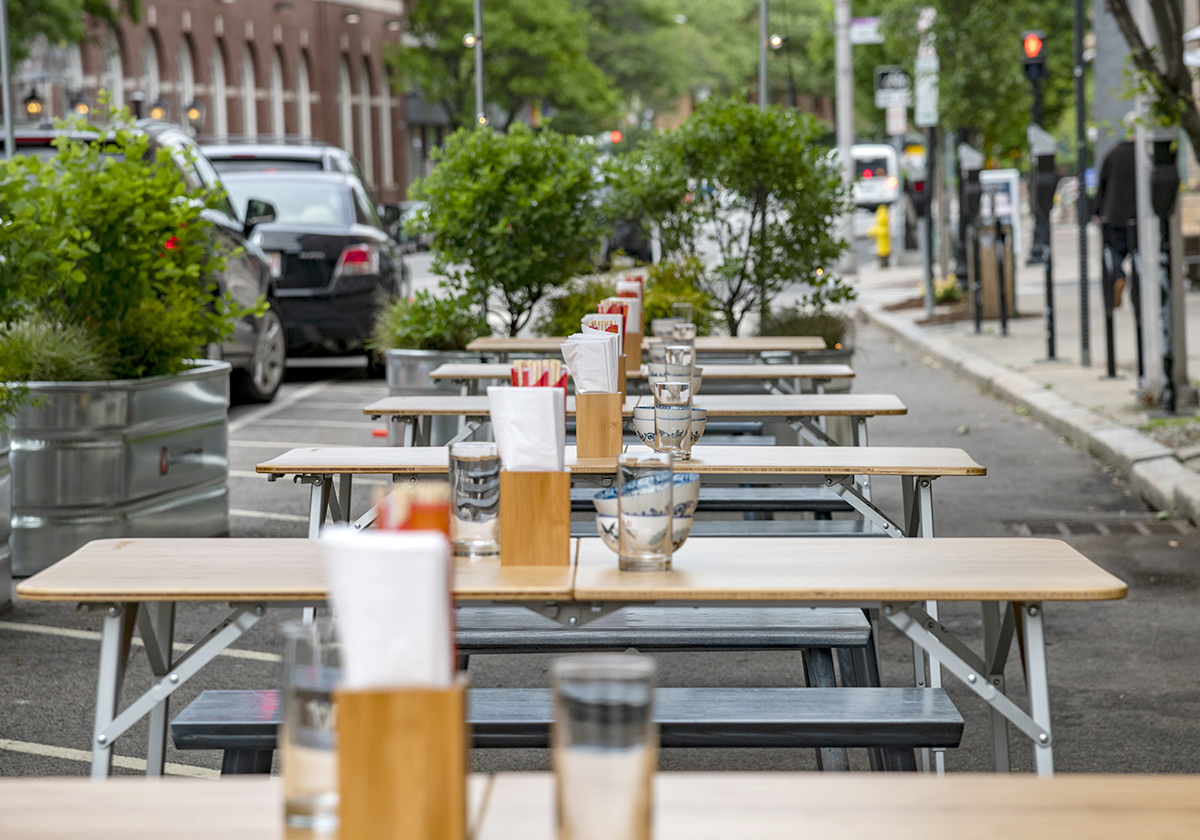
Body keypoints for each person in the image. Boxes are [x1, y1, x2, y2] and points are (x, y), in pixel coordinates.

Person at [1094, 137, 1137, 309]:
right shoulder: (1141, 154)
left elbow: (1101, 185)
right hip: (1136, 216)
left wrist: (1097, 211)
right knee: (1138, 255)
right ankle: (1137, 294)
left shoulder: (1111, 154)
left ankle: (1119, 276)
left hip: (1113, 215)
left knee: (1115, 251)